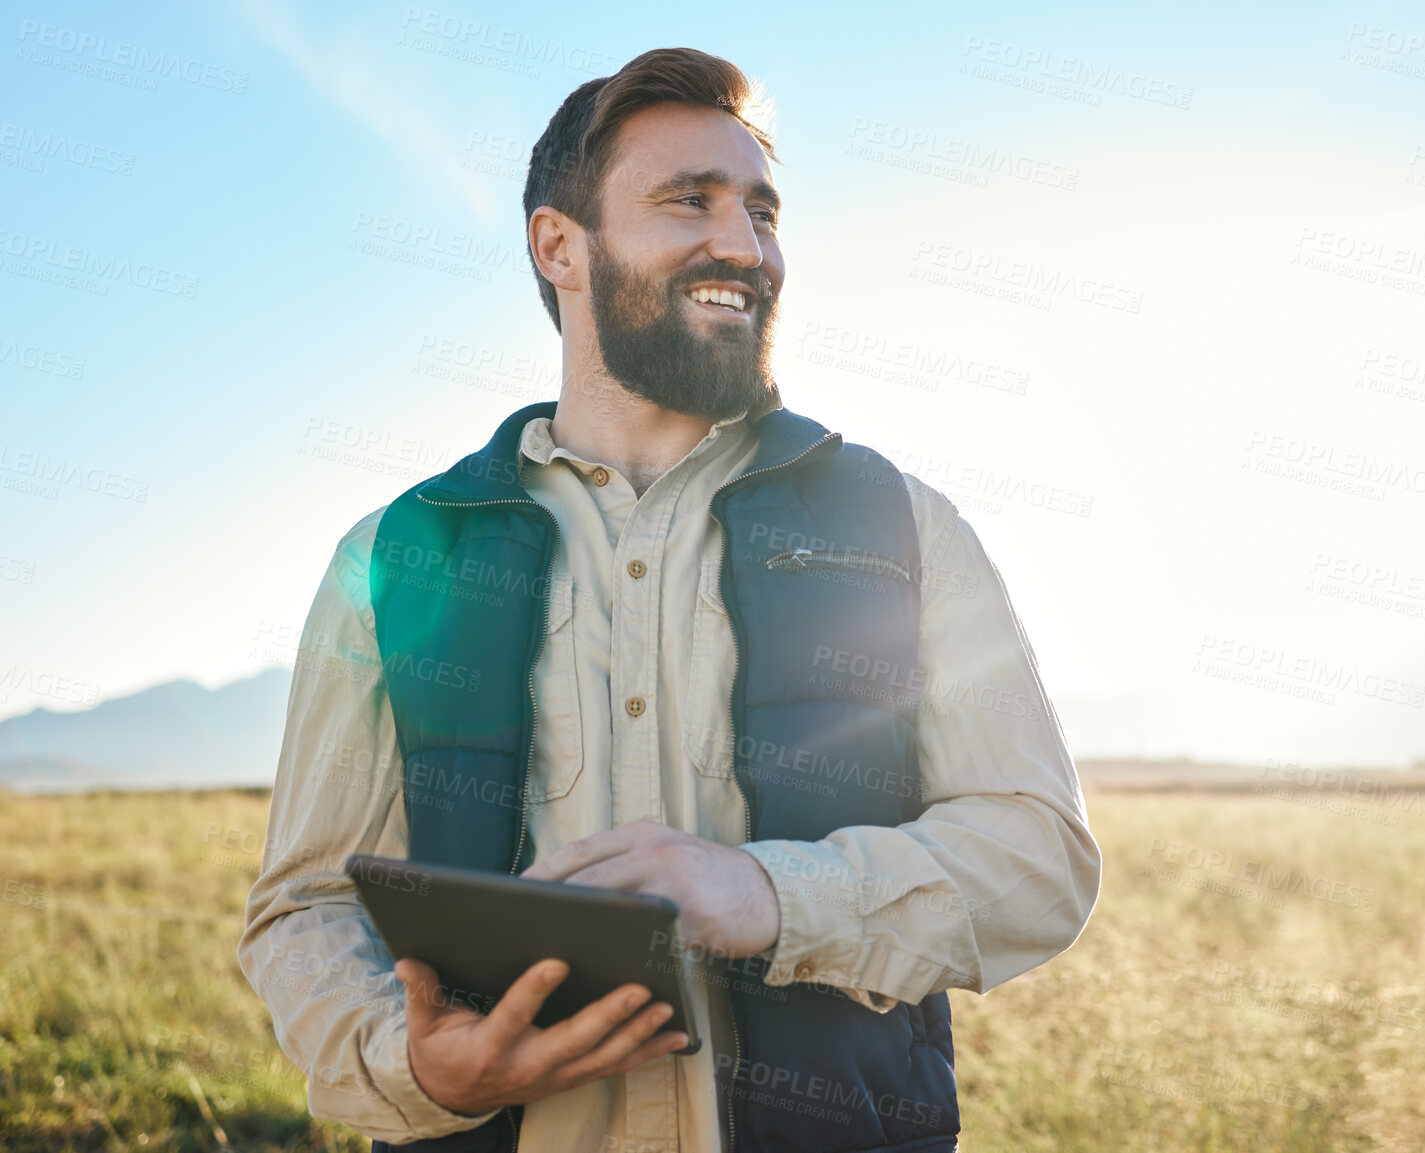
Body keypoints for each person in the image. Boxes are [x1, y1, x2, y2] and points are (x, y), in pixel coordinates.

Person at [239, 46, 1100, 1153]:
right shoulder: (397, 556)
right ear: (561, 245)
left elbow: (1040, 858)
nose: (742, 246)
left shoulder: (903, 524)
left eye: (761, 211)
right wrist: (411, 1064)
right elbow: (305, 905)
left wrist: (772, 895)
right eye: (687, 201)